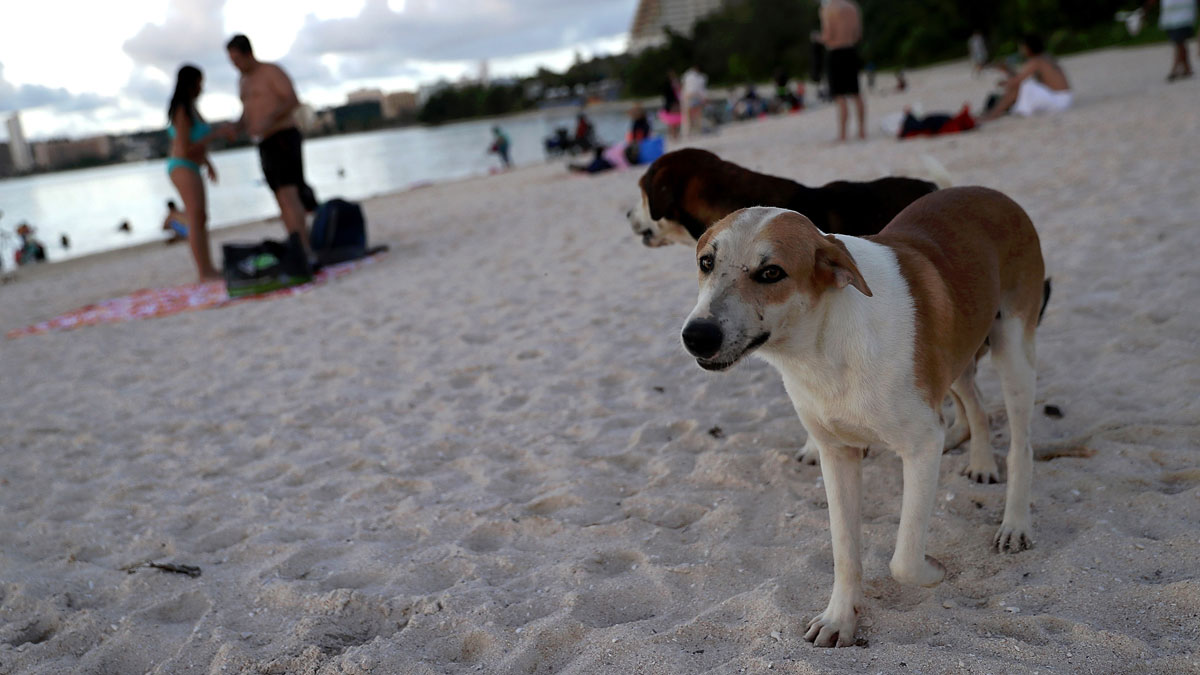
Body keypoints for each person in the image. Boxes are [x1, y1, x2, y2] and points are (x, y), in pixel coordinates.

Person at [227, 34, 316, 259]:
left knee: (290, 193)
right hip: (263, 142)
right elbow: (248, 113)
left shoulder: (271, 72)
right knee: (279, 196)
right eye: (231, 61)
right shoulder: (242, 81)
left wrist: (271, 119)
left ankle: (305, 247)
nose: (235, 65)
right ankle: (296, 243)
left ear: (248, 54)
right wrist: (237, 127)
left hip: (283, 135)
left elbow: (292, 99)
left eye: (237, 59)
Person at [166, 64, 227, 281]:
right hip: (182, 166)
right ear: (191, 83)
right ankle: (205, 271)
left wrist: (208, 163)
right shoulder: (182, 109)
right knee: (195, 217)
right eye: (200, 82)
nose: (202, 87)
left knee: (200, 217)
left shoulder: (191, 108)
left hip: (191, 165)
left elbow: (195, 144)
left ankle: (207, 268)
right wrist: (216, 134)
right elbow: (184, 149)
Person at [980, 35, 1072, 122]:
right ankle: (994, 113)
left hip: (1057, 100)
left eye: (1022, 47)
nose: (1021, 50)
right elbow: (1020, 78)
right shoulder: (1045, 56)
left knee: (1018, 86)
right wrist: (1006, 70)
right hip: (1064, 97)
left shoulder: (1036, 61)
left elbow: (1017, 81)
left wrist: (1006, 81)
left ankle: (992, 115)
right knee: (1023, 85)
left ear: (1028, 48)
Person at [819, 0, 866, 141]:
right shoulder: (852, 7)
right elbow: (858, 35)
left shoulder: (828, 9)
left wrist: (817, 38)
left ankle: (843, 135)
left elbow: (828, 36)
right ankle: (862, 132)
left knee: (840, 96)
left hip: (835, 53)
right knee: (856, 93)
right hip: (851, 51)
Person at [1149, 0, 1196, 81]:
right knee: (1180, 43)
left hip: (1181, 16)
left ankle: (1175, 69)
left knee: (1179, 42)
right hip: (1175, 17)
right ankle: (1187, 68)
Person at [681, 64, 707, 136]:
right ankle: (696, 130)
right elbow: (701, 89)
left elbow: (684, 86)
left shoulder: (688, 75)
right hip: (694, 96)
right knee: (696, 115)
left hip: (690, 96)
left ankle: (690, 131)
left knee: (690, 116)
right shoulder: (701, 77)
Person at [659, 70, 683, 139]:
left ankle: (674, 136)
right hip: (672, 104)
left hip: (671, 104)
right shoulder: (669, 85)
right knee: (673, 121)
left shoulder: (670, 84)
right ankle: (674, 136)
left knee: (673, 121)